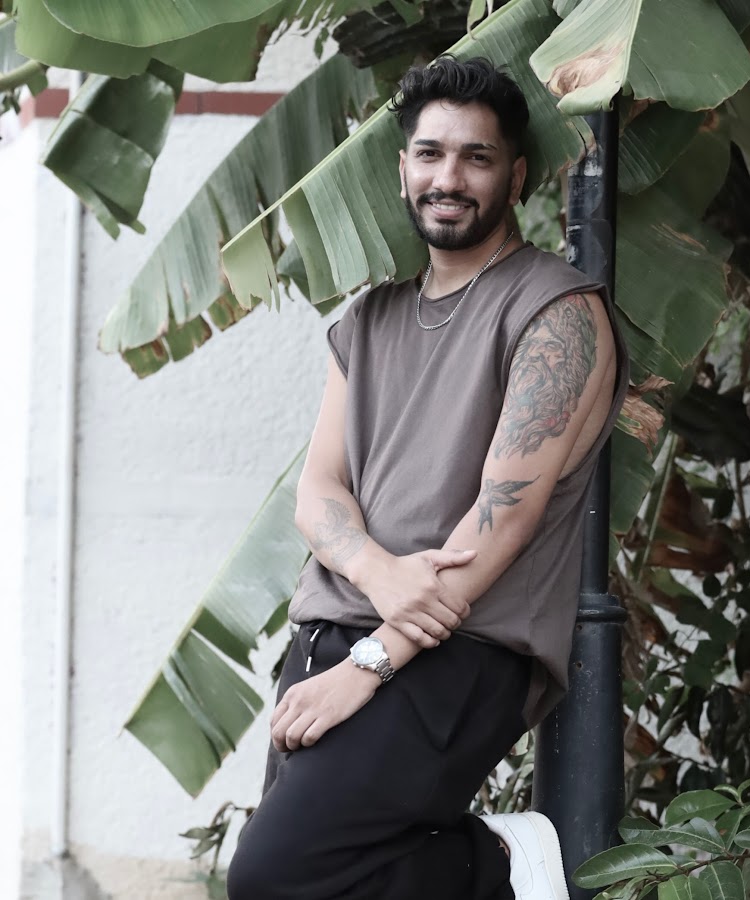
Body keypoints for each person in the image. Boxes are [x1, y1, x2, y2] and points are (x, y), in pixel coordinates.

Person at [226, 56, 628, 900]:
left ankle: (501, 871)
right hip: (330, 631)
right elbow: (318, 492)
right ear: (403, 167)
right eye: (431, 154)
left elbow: (502, 519)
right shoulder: (369, 320)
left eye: (477, 158)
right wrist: (379, 576)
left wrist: (374, 658)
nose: (449, 178)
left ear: (515, 176)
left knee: (277, 875)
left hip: (457, 651)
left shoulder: (557, 312)